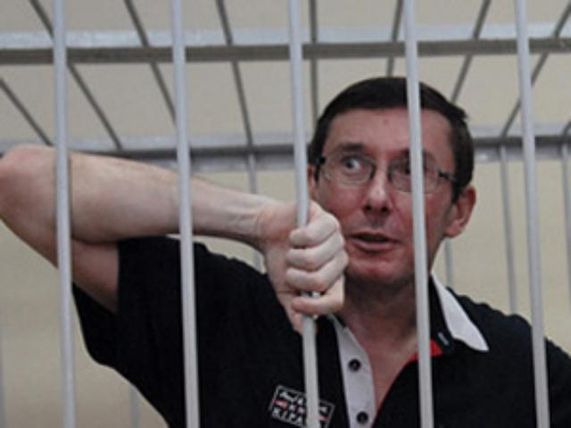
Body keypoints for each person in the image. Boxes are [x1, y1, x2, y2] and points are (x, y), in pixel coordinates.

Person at [0, 77, 569, 427]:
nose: (377, 197)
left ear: (459, 210)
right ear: (314, 185)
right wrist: (259, 221)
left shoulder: (521, 368)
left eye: (411, 172)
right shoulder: (221, 314)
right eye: (352, 163)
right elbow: (22, 182)